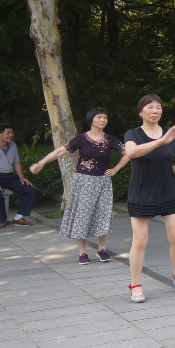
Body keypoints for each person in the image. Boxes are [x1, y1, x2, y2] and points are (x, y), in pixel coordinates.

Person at [123, 95, 175, 302]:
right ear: (140, 112)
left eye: (158, 107)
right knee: (140, 239)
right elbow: (131, 152)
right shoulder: (133, 134)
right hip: (142, 192)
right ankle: (135, 284)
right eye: (150, 107)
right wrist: (160, 141)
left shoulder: (171, 132)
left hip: (167, 189)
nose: (155, 110)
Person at [29, 108, 129, 262]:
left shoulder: (110, 139)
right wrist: (41, 163)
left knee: (104, 214)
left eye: (105, 117)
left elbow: (128, 153)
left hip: (103, 182)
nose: (103, 120)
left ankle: (102, 249)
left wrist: (116, 169)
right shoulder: (81, 138)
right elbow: (59, 152)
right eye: (99, 117)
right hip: (83, 181)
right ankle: (82, 252)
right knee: (81, 215)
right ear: (91, 120)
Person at [0, 123, 37, 228]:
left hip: (9, 176)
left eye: (12, 132)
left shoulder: (13, 145)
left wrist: (21, 177)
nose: (11, 135)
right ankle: (3, 220)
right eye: (8, 133)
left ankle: (18, 218)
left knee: (31, 190)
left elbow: (16, 162)